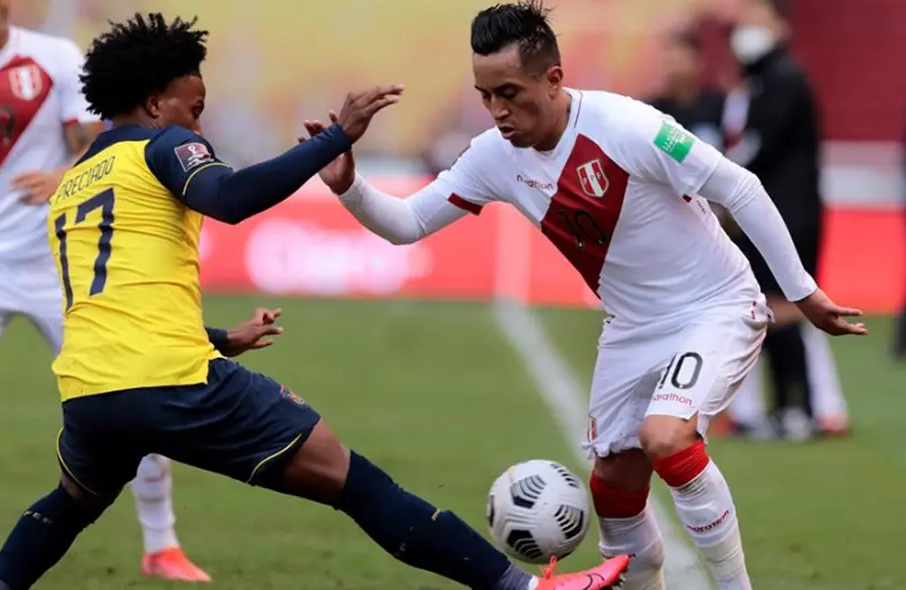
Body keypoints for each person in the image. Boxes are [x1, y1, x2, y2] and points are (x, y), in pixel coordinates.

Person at [0, 12, 630, 590]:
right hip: (172, 382)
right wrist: (334, 137)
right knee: (359, 483)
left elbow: (114, 303)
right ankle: (523, 588)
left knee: (70, 502)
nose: (198, 121)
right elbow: (229, 199)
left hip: (89, 391)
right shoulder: (166, 145)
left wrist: (222, 338)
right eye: (193, 106)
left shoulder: (78, 180)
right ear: (155, 103)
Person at [303, 2, 866, 589]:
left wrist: (802, 292)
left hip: (714, 306)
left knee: (666, 438)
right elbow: (406, 224)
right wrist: (351, 186)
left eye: (510, 92)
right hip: (631, 327)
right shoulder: (494, 155)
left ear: (553, 78)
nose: (498, 110)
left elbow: (741, 186)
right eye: (486, 94)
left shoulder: (628, 126)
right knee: (613, 488)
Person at [0, 0, 207, 583]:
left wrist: (64, 175)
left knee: (135, 389)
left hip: (65, 260)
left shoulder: (54, 59)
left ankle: (161, 546)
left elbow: (100, 141)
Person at [723, 0, 849, 439]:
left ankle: (801, 410)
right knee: (773, 309)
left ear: (781, 26)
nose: (747, 31)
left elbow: (759, 149)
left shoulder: (784, 79)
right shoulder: (761, 80)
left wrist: (716, 179)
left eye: (758, 22)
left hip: (789, 214)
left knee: (786, 307)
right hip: (774, 211)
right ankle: (785, 411)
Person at [646, 29, 725, 150]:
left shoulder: (719, 105)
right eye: (670, 62)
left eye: (680, 62)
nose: (674, 70)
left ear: (698, 63)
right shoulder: (653, 111)